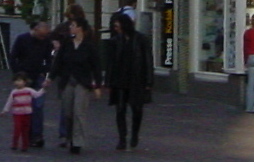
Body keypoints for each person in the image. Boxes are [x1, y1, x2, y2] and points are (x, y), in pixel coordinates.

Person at [51, 16, 104, 154]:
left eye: (73, 25)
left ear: (80, 28)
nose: (70, 27)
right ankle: (70, 136)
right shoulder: (67, 44)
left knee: (79, 112)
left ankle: (77, 141)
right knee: (68, 112)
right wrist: (50, 78)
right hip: (67, 80)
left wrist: (97, 86)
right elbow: (58, 62)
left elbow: (96, 67)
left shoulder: (89, 46)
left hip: (83, 82)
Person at [104, 11, 154, 151]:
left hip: (136, 80)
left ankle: (134, 134)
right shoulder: (115, 41)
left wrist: (149, 82)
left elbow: (148, 61)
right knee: (120, 109)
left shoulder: (141, 39)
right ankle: (122, 138)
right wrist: (108, 82)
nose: (115, 27)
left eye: (117, 25)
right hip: (120, 79)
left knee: (137, 109)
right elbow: (111, 63)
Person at [9, 21, 55, 147]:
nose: (43, 38)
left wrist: (46, 70)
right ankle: (26, 134)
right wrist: (18, 73)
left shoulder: (46, 41)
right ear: (35, 29)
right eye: (41, 35)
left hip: (38, 76)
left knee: (38, 106)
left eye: (45, 36)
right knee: (24, 107)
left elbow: (49, 58)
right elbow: (13, 57)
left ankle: (37, 135)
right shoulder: (22, 39)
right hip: (24, 77)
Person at [7, 73, 41, 152]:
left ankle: (24, 145)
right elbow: (9, 101)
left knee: (25, 130)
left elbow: (37, 94)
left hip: (27, 113)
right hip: (17, 113)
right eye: (16, 81)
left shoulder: (29, 90)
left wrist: (44, 89)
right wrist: (5, 110)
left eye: (19, 81)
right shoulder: (14, 92)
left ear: (24, 82)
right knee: (17, 128)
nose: (17, 83)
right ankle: (15, 144)